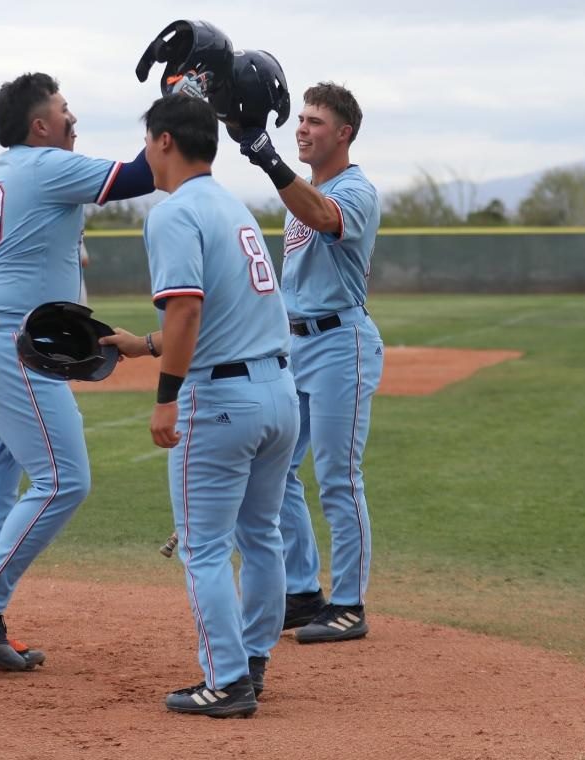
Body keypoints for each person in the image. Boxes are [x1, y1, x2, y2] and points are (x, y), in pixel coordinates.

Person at [0, 72, 155, 672]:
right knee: (64, 480)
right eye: (64, 111)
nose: (72, 119)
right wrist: (182, 95)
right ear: (40, 127)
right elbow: (141, 174)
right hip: (14, 347)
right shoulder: (44, 166)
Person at [102, 94, 298, 717]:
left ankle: (228, 680)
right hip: (278, 394)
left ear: (163, 142)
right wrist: (145, 345)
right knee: (262, 534)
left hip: (219, 402)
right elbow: (220, 315)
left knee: (204, 546)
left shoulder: (172, 213)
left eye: (146, 143)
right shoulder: (234, 207)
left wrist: (167, 396)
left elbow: (187, 307)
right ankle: (254, 659)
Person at [235, 82, 384, 644]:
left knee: (339, 478)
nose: (302, 128)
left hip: (340, 342)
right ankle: (301, 590)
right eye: (300, 118)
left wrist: (267, 158)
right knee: (277, 470)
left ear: (344, 133)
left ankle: (349, 603)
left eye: (315, 121)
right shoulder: (306, 189)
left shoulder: (355, 190)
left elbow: (325, 217)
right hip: (294, 345)